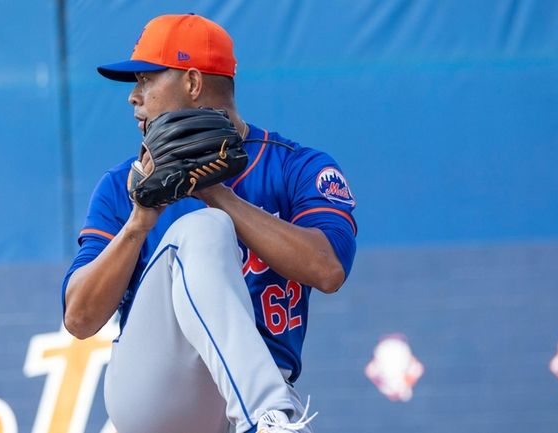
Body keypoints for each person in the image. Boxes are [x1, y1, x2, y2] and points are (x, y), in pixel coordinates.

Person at [62, 13, 357, 433]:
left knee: (210, 221)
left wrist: (217, 195)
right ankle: (270, 419)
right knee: (203, 229)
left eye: (146, 79)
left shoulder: (294, 167)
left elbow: (328, 270)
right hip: (161, 399)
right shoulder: (122, 186)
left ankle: (264, 415)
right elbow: (79, 318)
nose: (134, 96)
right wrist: (139, 222)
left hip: (252, 387)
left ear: (193, 83)